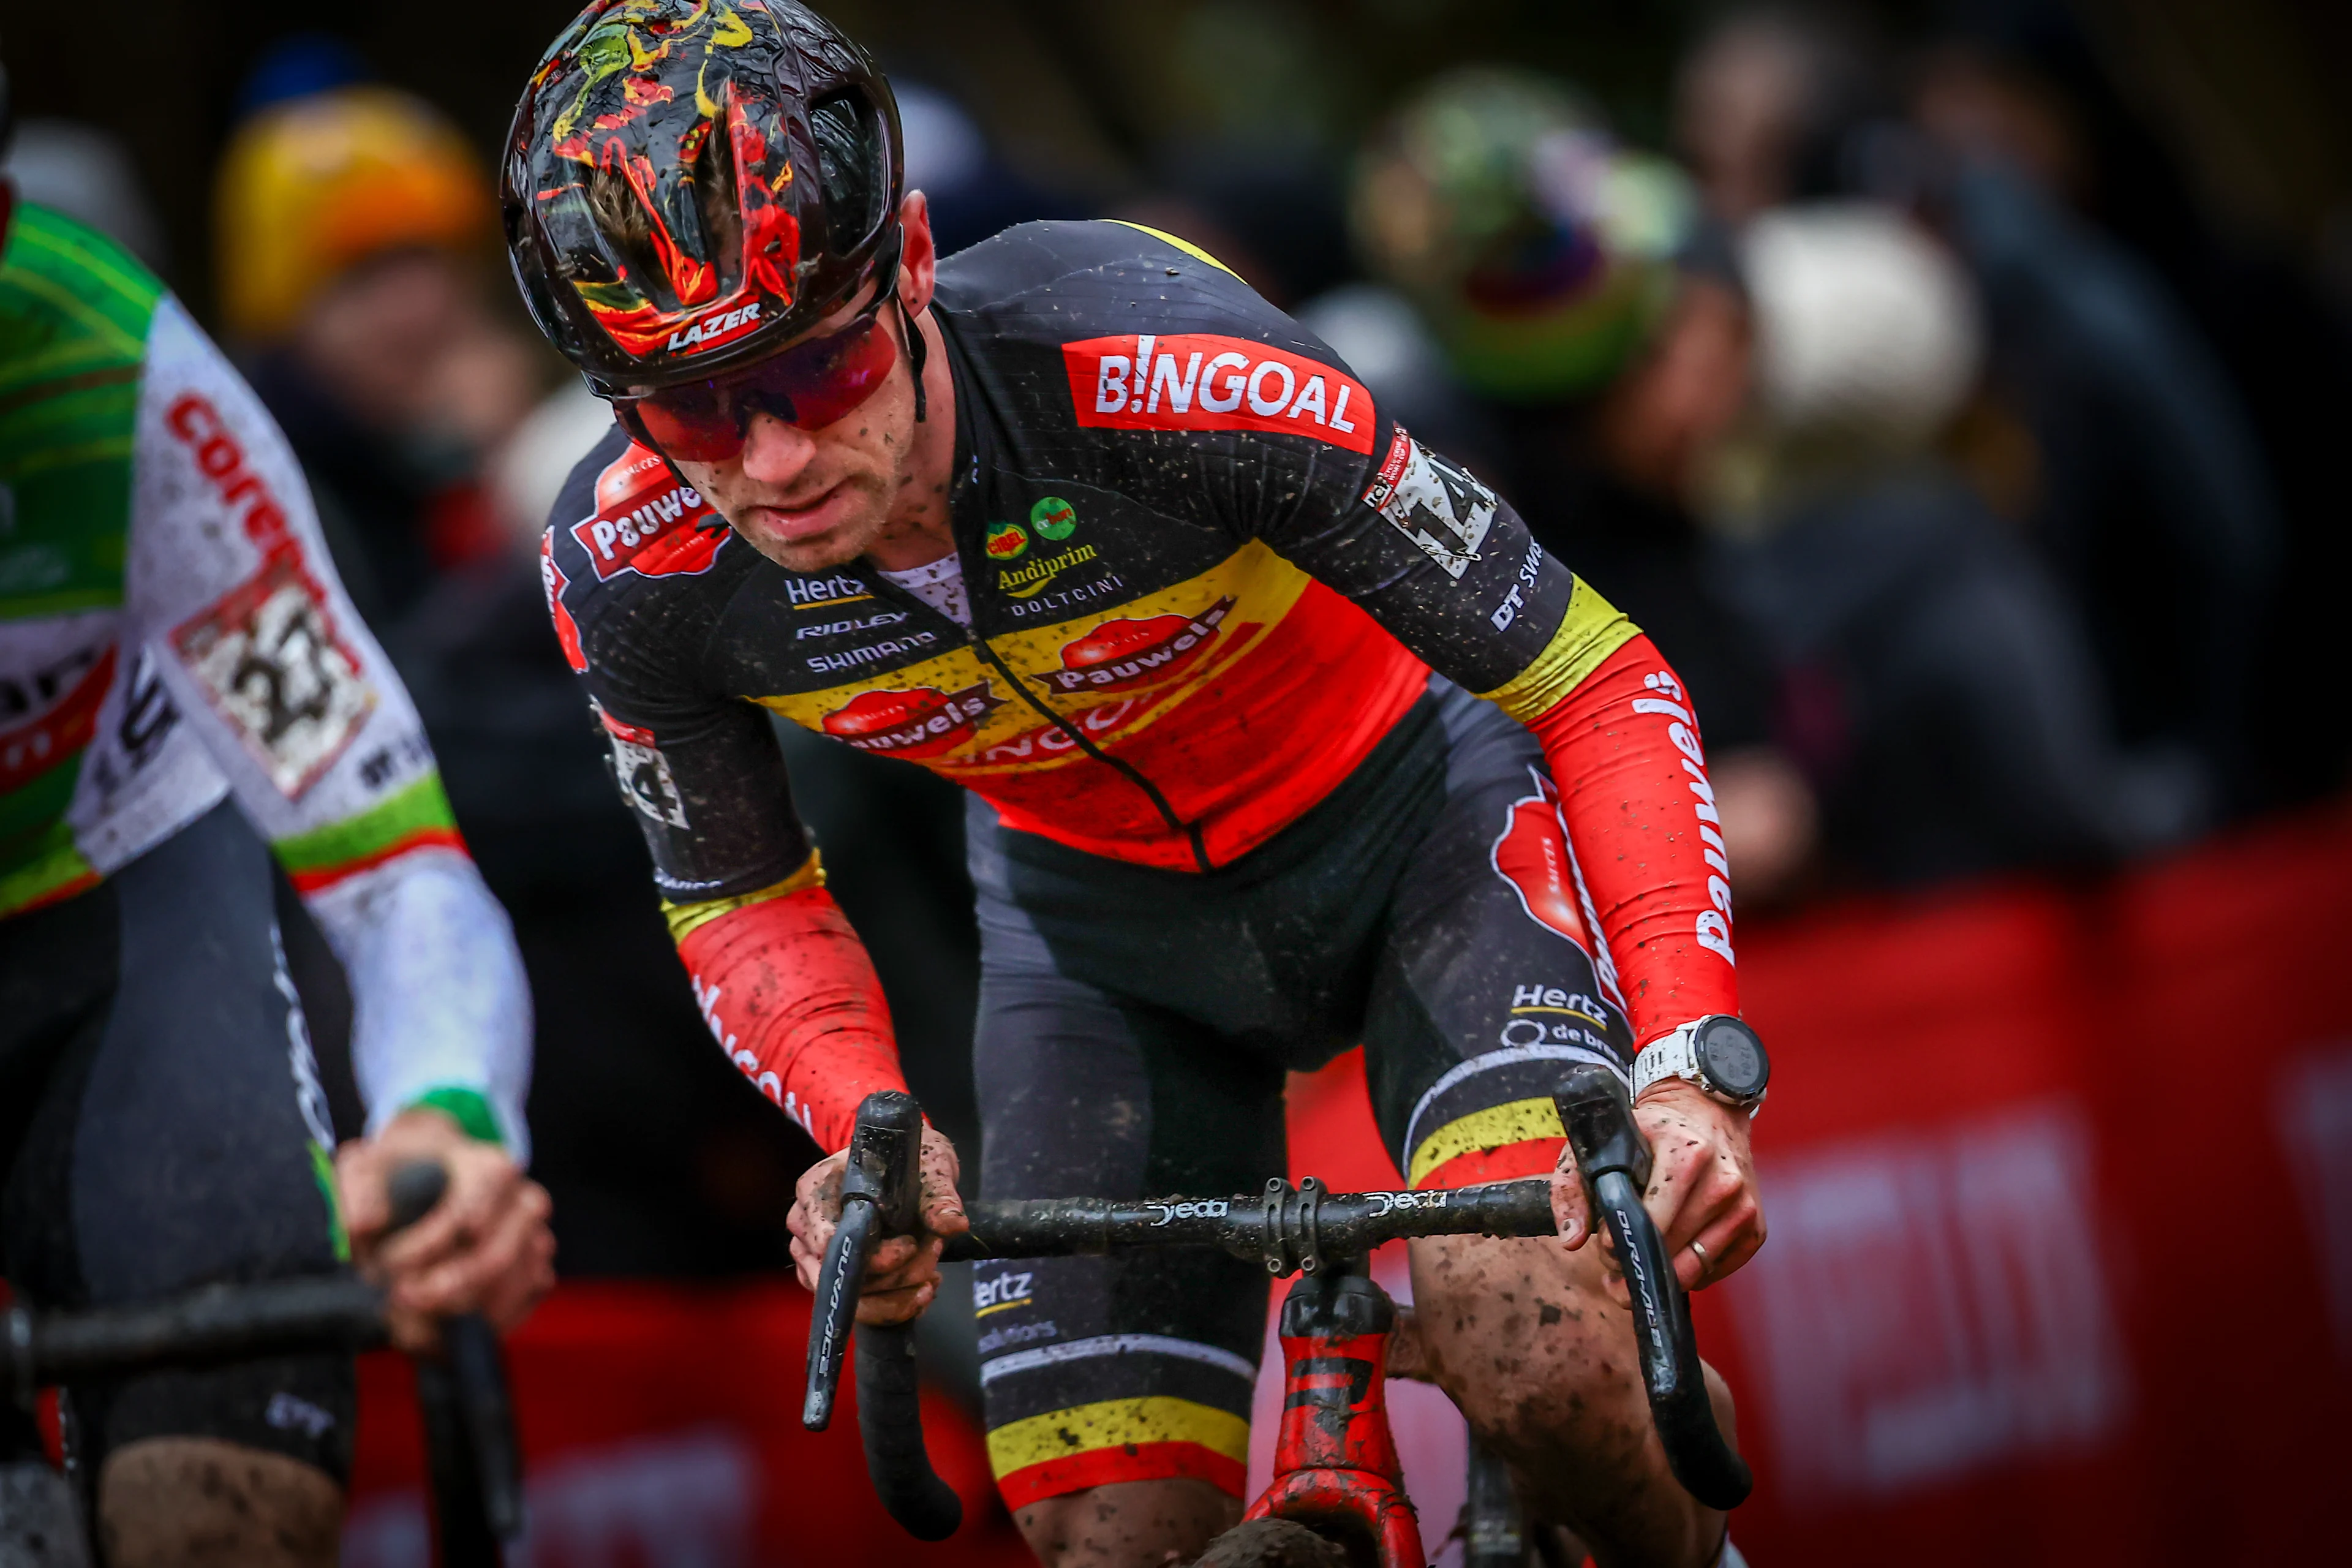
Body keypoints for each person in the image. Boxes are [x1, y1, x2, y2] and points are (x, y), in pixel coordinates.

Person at [511, 6, 1764, 1566]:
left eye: (818, 368)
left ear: (906, 258)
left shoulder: (1151, 363)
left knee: (1543, 1355)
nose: (767, 459)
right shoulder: (627, 568)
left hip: (1412, 834)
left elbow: (1590, 671)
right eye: (688, 407)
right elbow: (737, 895)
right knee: (1101, 1531)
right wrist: (863, 1126)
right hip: (1096, 944)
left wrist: (1686, 1055)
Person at [0, 89, 552, 1567]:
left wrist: (449, 1109)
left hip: (116, 901)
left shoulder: (126, 387)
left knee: (229, 1506)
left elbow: (386, 855)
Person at [215, 78, 546, 624]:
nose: (420, 306)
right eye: (367, 276)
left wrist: (510, 468)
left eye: (430, 258)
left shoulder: (450, 438)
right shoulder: (252, 496)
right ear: (283, 316)